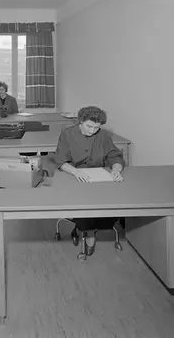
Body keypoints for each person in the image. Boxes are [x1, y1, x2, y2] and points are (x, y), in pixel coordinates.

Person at [54, 106, 125, 257]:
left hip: (98, 177)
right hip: (73, 175)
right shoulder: (67, 134)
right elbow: (60, 161)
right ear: (80, 121)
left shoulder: (103, 135)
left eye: (96, 127)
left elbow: (115, 156)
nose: (92, 131)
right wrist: (75, 171)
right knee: (84, 206)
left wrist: (116, 169)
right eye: (89, 126)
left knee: (108, 206)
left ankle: (85, 229)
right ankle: (89, 234)